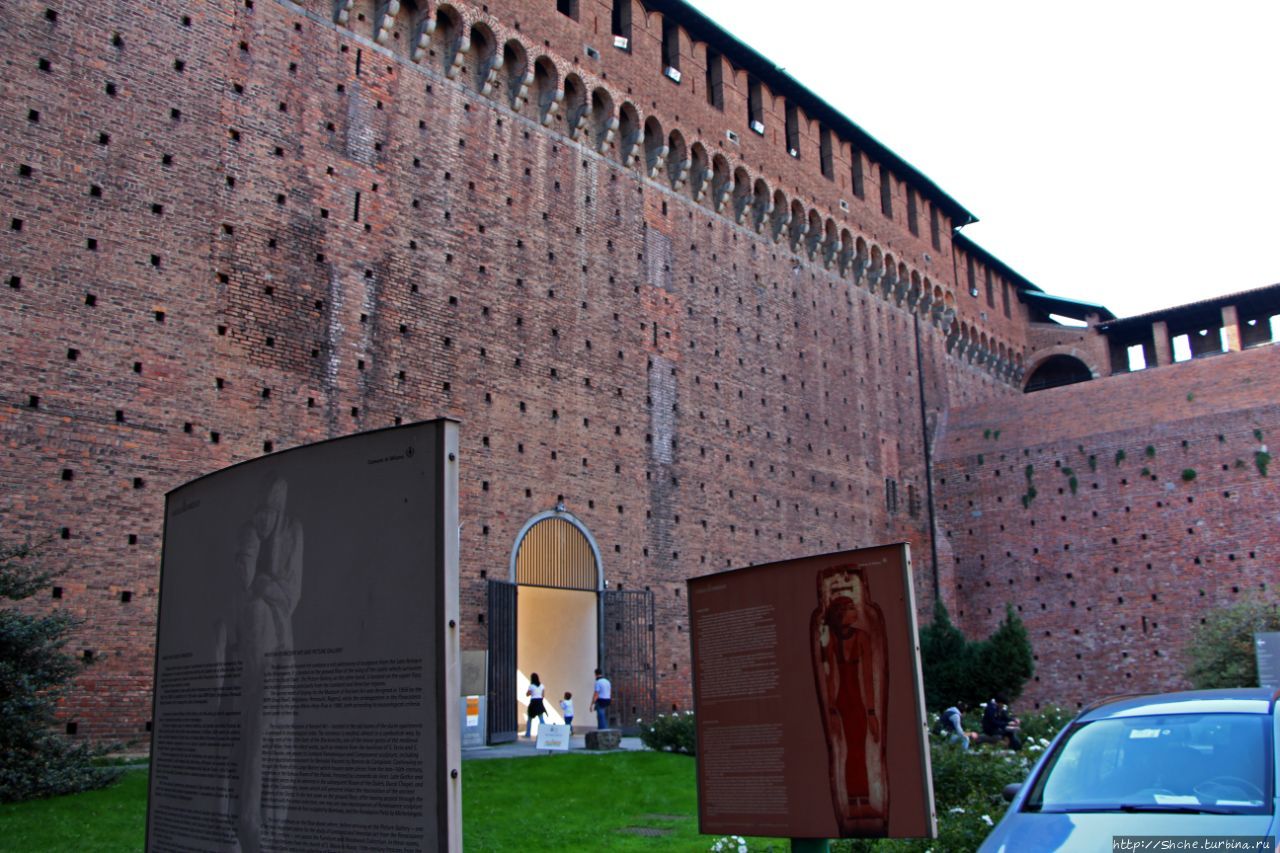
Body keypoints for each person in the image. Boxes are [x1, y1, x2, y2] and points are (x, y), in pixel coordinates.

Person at [811, 565, 889, 835]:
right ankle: (856, 801)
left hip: (852, 699)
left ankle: (859, 800)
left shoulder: (857, 638)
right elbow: (829, 673)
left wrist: (870, 710)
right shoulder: (837, 639)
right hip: (847, 700)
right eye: (850, 609)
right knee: (848, 751)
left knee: (855, 750)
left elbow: (863, 676)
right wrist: (835, 707)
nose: (854, 612)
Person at [525, 673, 547, 738]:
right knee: (541, 719)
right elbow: (543, 695)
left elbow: (527, 694)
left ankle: (528, 733)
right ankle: (544, 733)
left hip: (533, 702)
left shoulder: (531, 686)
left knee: (529, 719)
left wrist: (531, 693)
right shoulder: (542, 686)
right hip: (539, 702)